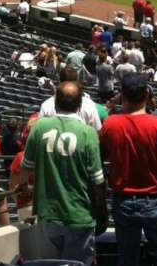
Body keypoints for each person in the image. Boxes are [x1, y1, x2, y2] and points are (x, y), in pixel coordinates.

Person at [19, 82, 107, 265]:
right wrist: (101, 212)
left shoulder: (39, 127)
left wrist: (26, 187)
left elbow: (25, 169)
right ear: (80, 104)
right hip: (80, 215)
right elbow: (98, 181)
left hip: (47, 214)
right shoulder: (88, 133)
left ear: (55, 102)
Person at [100, 74, 157, 266]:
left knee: (128, 255)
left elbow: (101, 156)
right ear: (146, 94)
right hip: (154, 199)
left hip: (123, 200)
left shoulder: (110, 124)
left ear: (122, 95)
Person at [40, 66, 102, 131]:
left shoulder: (46, 105)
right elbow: (97, 131)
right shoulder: (89, 104)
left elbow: (41, 130)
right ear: (77, 81)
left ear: (59, 80)